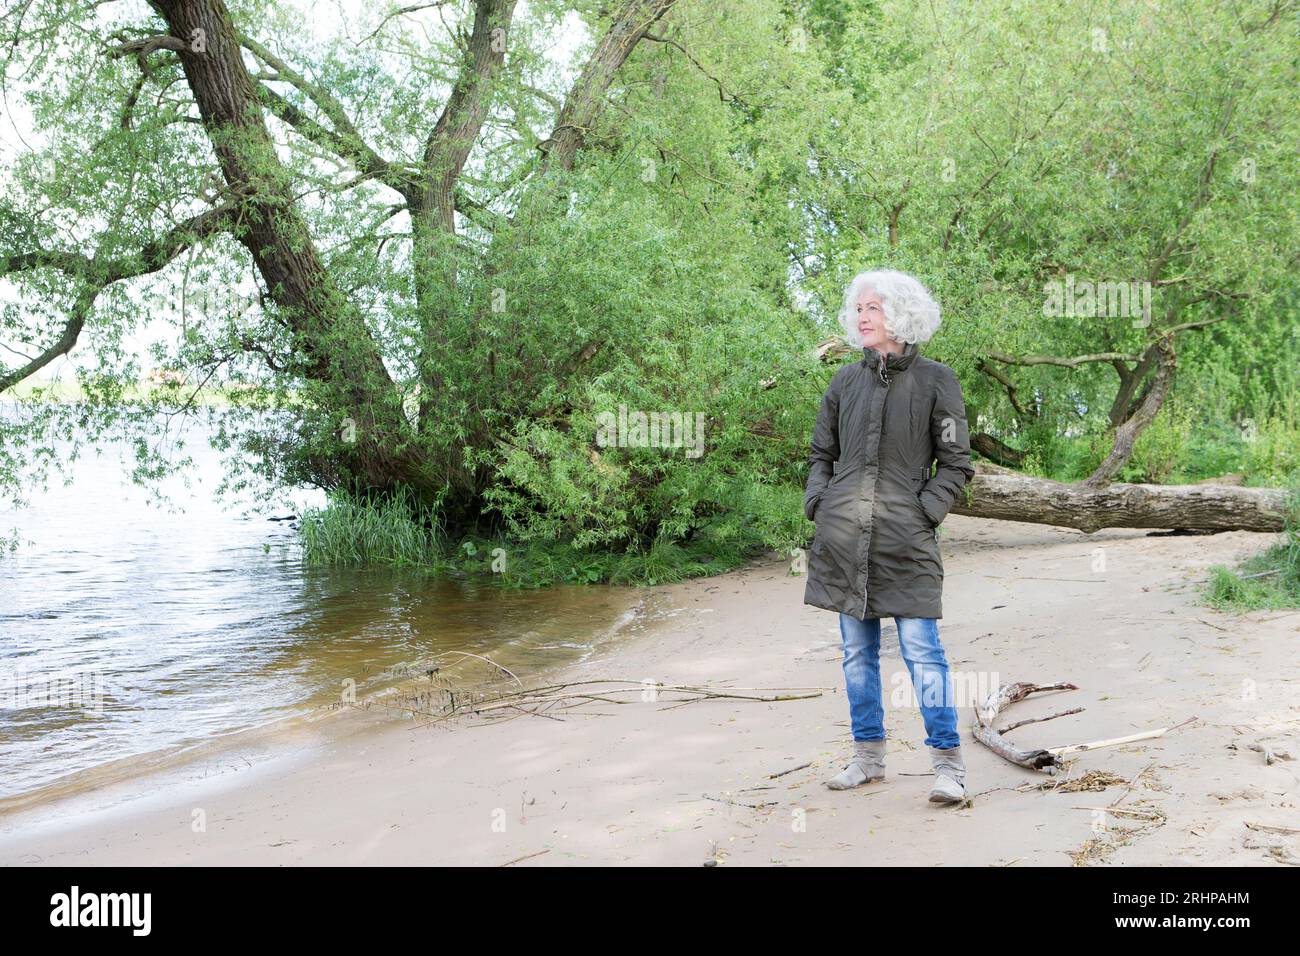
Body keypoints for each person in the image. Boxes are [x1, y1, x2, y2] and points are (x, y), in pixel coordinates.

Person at [802, 269, 976, 804]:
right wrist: (818, 503)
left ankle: (948, 767)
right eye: (858, 309)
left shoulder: (937, 381)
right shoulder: (843, 384)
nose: (862, 317)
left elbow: (957, 462)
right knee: (857, 655)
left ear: (899, 314)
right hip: (842, 541)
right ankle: (868, 760)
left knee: (924, 653)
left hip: (908, 542)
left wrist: (925, 512)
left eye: (872, 308)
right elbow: (820, 455)